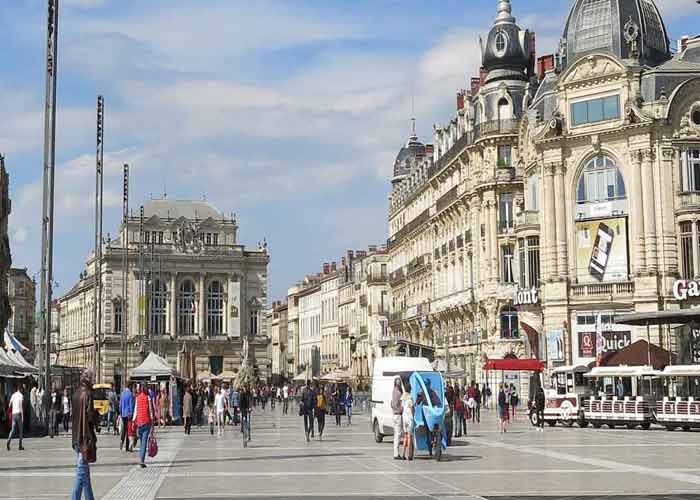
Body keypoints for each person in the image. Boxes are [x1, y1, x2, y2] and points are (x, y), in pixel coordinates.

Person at [71, 368, 97, 500]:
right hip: (84, 439)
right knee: (81, 473)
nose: (94, 381)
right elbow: (90, 417)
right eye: (93, 378)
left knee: (85, 474)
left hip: (76, 438)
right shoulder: (88, 394)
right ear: (89, 379)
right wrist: (96, 414)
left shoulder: (76, 393)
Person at [133, 384, 154, 468]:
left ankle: (141, 458)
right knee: (144, 442)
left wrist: (134, 420)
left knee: (142, 441)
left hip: (139, 422)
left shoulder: (137, 398)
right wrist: (152, 421)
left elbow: (135, 410)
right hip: (146, 422)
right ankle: (141, 460)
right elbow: (150, 411)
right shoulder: (148, 398)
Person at [6, 384, 24, 451]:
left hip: (13, 414)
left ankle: (8, 441)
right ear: (20, 389)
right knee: (21, 430)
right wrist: (22, 417)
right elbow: (21, 406)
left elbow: (9, 404)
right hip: (19, 414)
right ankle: (20, 445)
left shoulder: (13, 395)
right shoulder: (21, 396)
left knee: (12, 430)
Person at [391, 377, 403, 460]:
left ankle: (396, 452)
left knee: (396, 435)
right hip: (398, 415)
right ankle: (396, 454)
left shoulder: (393, 391)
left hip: (394, 415)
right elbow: (400, 405)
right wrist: (402, 409)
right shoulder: (399, 393)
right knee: (398, 435)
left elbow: (391, 403)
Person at [400, 384, 414, 460]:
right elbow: (412, 408)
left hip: (404, 417)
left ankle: (403, 454)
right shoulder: (410, 398)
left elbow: (402, 407)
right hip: (409, 418)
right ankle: (409, 455)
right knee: (409, 436)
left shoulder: (403, 397)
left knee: (405, 436)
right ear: (410, 389)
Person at [119, 384, 134, 452]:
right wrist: (131, 412)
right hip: (128, 414)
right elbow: (131, 404)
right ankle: (127, 447)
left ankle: (122, 440)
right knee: (128, 430)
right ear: (130, 386)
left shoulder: (122, 393)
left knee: (124, 429)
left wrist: (121, 413)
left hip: (123, 414)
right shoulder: (130, 394)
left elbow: (120, 404)